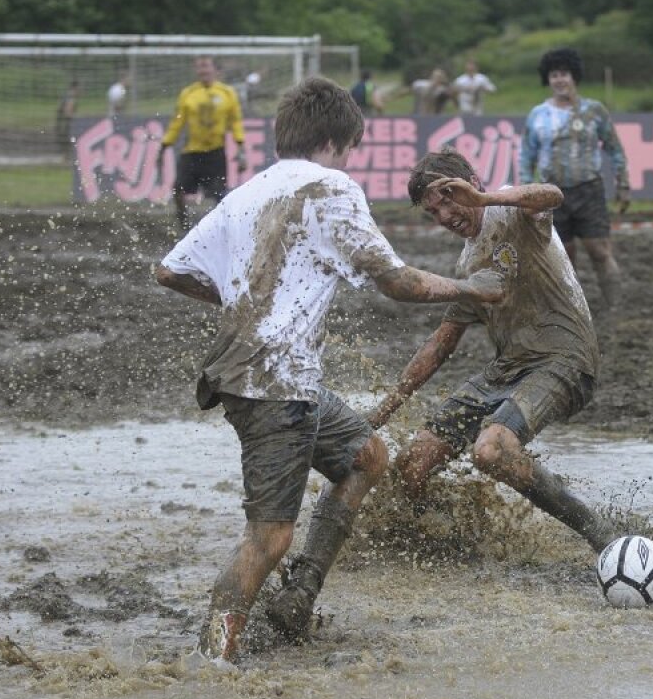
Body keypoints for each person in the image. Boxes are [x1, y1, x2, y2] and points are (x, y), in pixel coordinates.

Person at [155, 77, 506, 663]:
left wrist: (247, 298)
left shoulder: (248, 191)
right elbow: (397, 282)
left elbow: (170, 271)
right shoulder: (332, 187)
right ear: (340, 139)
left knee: (368, 455)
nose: (350, 159)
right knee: (268, 537)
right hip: (273, 385)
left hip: (267, 376)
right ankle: (213, 659)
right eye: (351, 148)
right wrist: (474, 287)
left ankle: (302, 591)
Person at [267, 148, 622, 640]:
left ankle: (599, 533)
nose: (445, 215)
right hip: (507, 369)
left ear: (469, 184)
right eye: (433, 211)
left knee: (492, 450)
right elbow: (440, 346)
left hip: (564, 359)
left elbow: (552, 194)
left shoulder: (517, 213)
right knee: (412, 464)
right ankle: (438, 543)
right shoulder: (469, 258)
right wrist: (382, 412)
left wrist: (483, 195)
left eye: (448, 199)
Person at [520, 47, 629, 314]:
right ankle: (574, 312)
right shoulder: (538, 115)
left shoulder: (594, 111)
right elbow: (526, 157)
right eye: (554, 75)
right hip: (552, 194)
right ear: (548, 79)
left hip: (589, 189)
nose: (559, 80)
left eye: (564, 74)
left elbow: (615, 148)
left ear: (574, 77)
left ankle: (616, 308)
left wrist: (623, 184)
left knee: (600, 251)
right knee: (564, 257)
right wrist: (525, 194)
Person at [156, 57, 246, 232]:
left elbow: (235, 122)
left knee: (220, 194)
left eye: (206, 67)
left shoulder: (227, 93)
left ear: (215, 70)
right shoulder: (188, 94)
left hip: (215, 152)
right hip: (192, 151)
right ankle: (183, 224)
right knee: (178, 189)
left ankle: (220, 228)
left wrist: (240, 148)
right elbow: (177, 122)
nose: (203, 71)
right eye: (199, 68)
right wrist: (165, 145)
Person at [55, 80, 80, 155]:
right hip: (65, 123)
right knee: (68, 140)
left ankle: (64, 156)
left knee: (64, 141)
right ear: (75, 87)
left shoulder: (66, 94)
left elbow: (59, 107)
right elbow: (68, 111)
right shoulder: (71, 97)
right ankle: (65, 157)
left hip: (60, 122)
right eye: (79, 87)